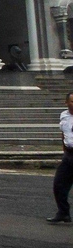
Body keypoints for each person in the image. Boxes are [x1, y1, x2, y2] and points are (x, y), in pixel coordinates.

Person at [47, 92, 73, 224]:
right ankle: (63, 212)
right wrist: (64, 150)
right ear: (67, 103)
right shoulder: (64, 115)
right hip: (69, 154)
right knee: (59, 184)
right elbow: (63, 134)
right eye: (72, 102)